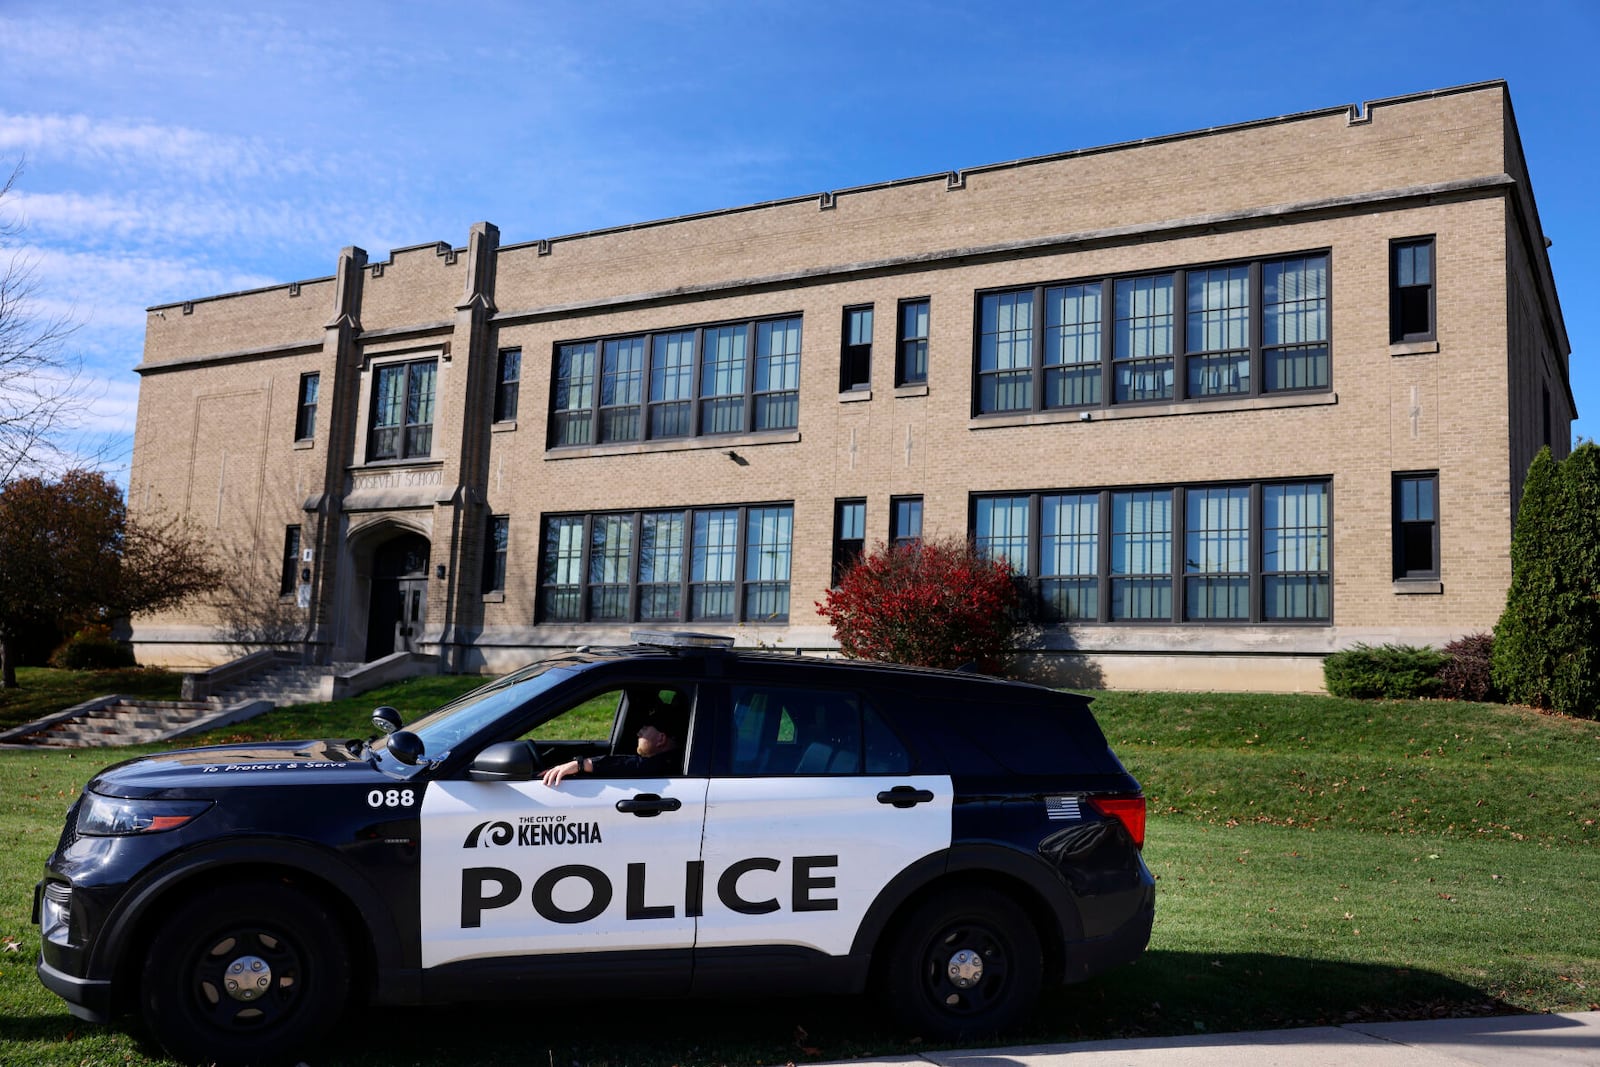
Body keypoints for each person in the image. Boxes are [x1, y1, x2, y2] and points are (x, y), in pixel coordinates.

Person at [540, 696, 686, 786]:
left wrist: (580, 764)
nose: (638, 732)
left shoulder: (669, 764)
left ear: (661, 739)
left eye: (645, 729)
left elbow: (633, 765)